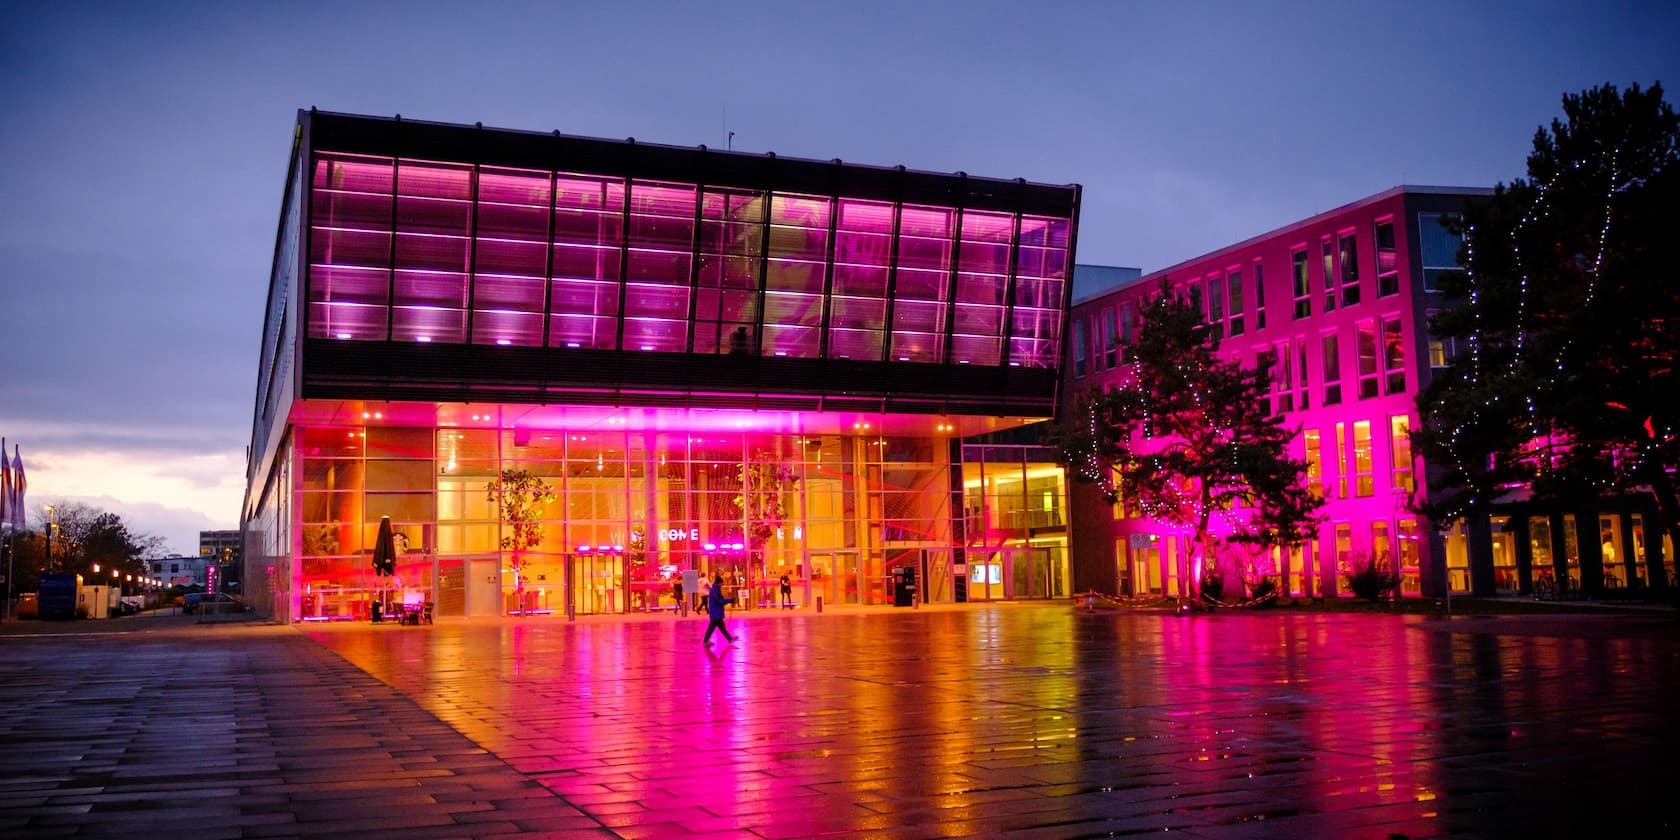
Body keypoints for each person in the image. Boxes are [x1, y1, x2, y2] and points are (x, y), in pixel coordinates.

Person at [703, 574, 736, 645]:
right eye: (721, 583)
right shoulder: (714, 590)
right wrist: (729, 600)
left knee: (716, 627)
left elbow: (719, 600)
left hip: (716, 612)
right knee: (717, 628)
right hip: (716, 612)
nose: (722, 585)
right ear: (718, 583)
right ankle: (729, 639)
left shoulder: (715, 589)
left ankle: (729, 639)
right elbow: (719, 601)